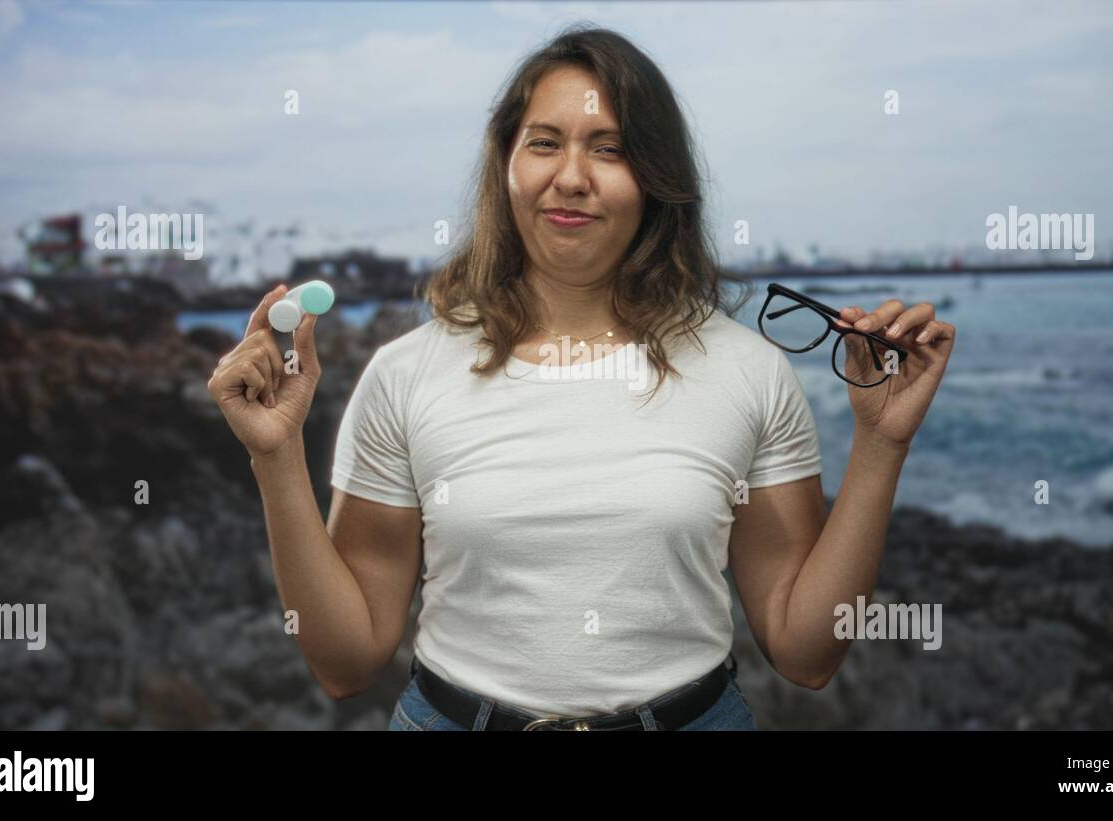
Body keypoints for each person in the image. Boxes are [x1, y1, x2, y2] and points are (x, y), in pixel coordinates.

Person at [206, 24, 955, 731]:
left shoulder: (749, 372)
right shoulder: (406, 374)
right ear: (507, 164)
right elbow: (345, 660)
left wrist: (881, 443)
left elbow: (805, 650)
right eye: (544, 144)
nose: (571, 178)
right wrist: (275, 458)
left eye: (610, 149)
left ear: (657, 179)